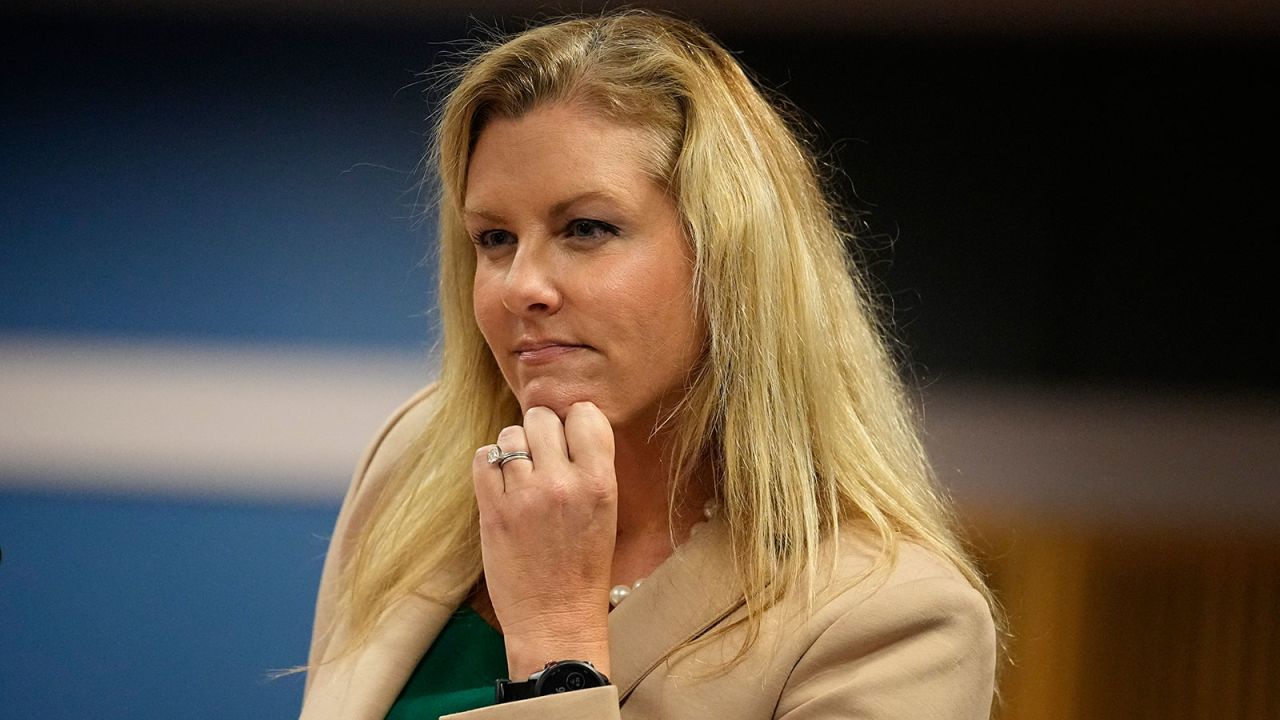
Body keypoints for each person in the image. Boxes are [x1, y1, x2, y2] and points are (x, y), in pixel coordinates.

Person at [299, 10, 999, 720]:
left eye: (587, 229)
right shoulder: (418, 461)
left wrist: (556, 649)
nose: (521, 287)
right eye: (495, 238)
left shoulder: (895, 618)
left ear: (729, 260)